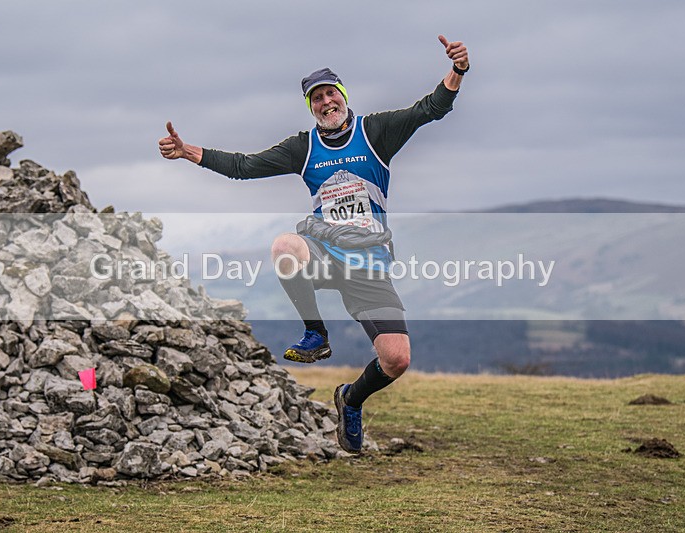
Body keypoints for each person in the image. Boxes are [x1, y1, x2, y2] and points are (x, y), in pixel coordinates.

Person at [159, 35, 469, 453]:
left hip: (369, 263)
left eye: (330, 94)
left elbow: (430, 109)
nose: (325, 103)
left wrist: (458, 70)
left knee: (396, 360)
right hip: (324, 252)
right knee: (286, 246)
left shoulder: (375, 131)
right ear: (311, 107)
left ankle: (350, 399)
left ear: (342, 96)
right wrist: (188, 151)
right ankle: (315, 332)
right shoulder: (302, 147)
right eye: (316, 99)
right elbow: (243, 167)